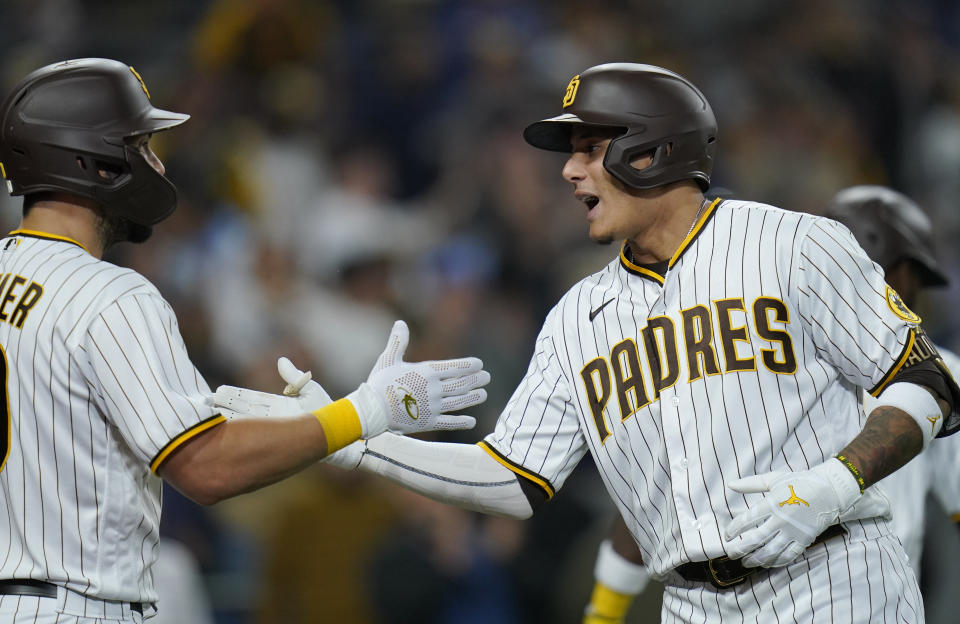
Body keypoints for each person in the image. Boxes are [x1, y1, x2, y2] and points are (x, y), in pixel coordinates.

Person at [214, 63, 960, 622]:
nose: (569, 169)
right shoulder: (578, 315)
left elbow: (929, 379)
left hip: (836, 582)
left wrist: (835, 482)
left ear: (653, 150)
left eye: (588, 146)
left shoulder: (792, 242)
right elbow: (512, 478)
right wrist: (352, 435)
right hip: (693, 607)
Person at [0, 58, 489, 623]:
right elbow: (205, 469)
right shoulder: (111, 295)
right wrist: (364, 411)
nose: (156, 163)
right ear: (94, 161)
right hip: (80, 607)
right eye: (141, 145)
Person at [579, 184, 960, 623]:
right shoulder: (934, 373)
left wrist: (604, 611)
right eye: (916, 273)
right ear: (896, 266)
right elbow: (666, 490)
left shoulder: (758, 348)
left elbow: (660, 493)